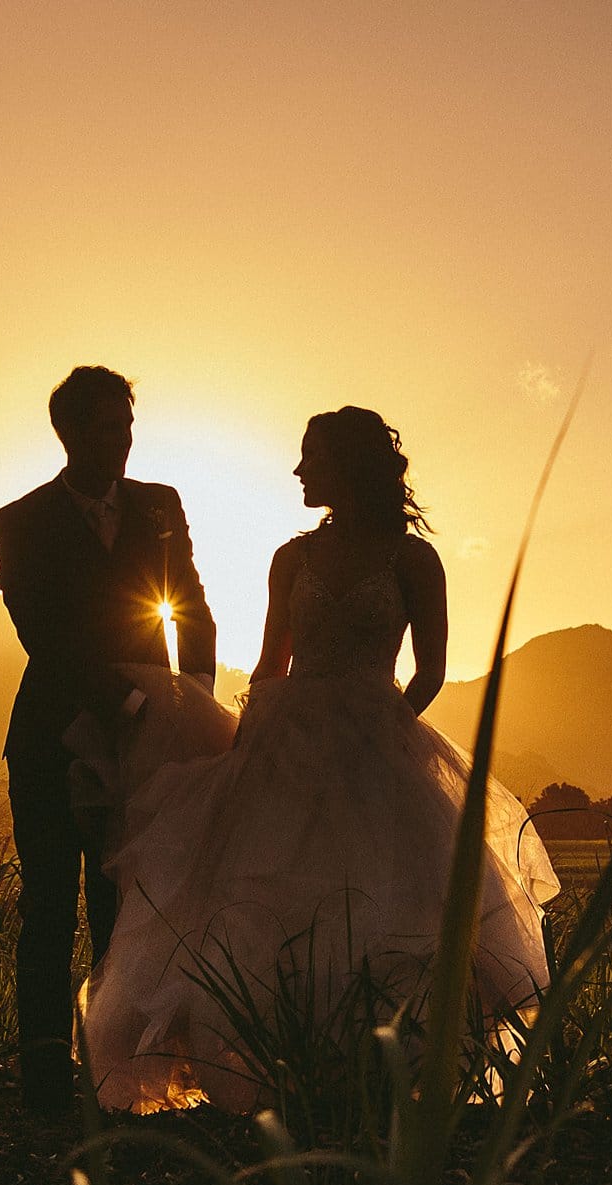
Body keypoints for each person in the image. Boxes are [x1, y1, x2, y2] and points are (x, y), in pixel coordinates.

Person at [82, 407, 559, 1113]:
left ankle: (374, 1073)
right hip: (288, 746)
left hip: (378, 744)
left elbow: (429, 671)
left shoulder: (412, 560)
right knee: (264, 902)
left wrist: (386, 726)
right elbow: (272, 663)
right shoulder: (291, 558)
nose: (301, 470)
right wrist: (247, 747)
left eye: (314, 457)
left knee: (381, 901)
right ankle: (278, 1070)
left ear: (351, 465)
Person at [0, 366, 218, 1117]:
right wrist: (117, 701)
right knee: (52, 908)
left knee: (130, 912)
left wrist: (194, 704)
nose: (124, 439)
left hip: (154, 739)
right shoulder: (21, 521)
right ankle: (47, 1088)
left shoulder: (160, 505)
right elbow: (43, 634)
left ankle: (120, 1083)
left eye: (128, 424)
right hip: (56, 735)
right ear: (72, 432)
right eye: (109, 426)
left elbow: (189, 603)